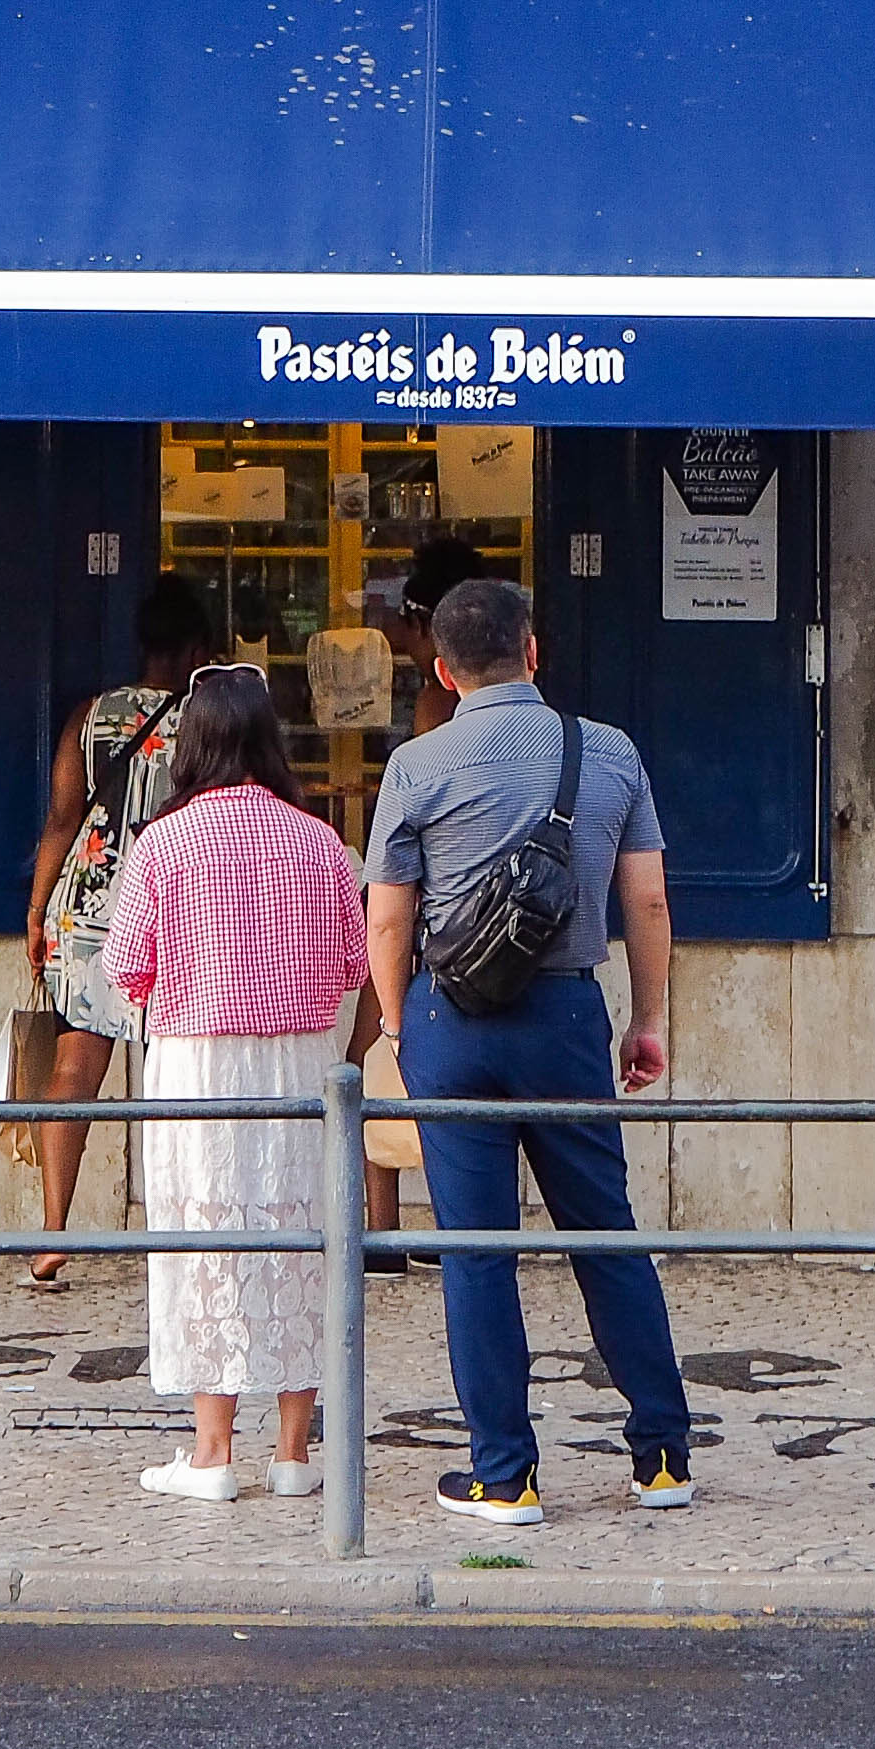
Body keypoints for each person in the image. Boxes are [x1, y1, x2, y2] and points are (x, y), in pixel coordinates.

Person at [365, 576, 698, 1527]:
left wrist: (397, 1021)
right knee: (604, 1232)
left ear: (442, 668)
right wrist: (648, 1020)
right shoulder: (610, 753)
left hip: (451, 1021)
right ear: (534, 650)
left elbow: (388, 917)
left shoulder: (417, 766)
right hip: (564, 1017)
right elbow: (648, 904)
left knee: (475, 1253)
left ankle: (504, 1476)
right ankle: (663, 1459)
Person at [99, 663, 368, 1501]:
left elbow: (124, 970)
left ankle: (212, 1453)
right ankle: (294, 1455)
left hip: (197, 1062)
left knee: (204, 1235)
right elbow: (351, 963)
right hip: (297, 1056)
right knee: (302, 1234)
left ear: (192, 745)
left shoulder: (162, 844)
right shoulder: (319, 840)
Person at [18, 572, 211, 1286]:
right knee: (177, 1074)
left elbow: (62, 820)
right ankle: (183, 1234)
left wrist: (38, 912)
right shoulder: (203, 722)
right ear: (194, 647)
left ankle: (51, 1232)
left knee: (74, 1068)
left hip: (87, 904)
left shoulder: (92, 714)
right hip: (174, 911)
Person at [347, 536, 491, 1270]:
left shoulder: (436, 708)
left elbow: (410, 841)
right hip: (486, 929)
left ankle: (381, 1234)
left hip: (423, 920)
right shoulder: (517, 717)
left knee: (371, 1056)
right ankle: (442, 1229)